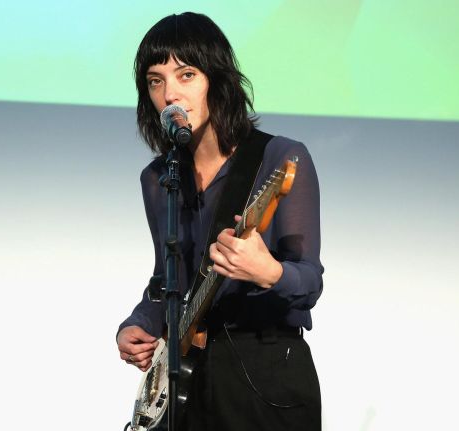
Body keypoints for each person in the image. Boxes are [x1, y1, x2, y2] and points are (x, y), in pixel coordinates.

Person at [116, 12, 323, 431]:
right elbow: (166, 280)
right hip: (189, 380)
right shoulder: (158, 179)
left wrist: (269, 272)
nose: (170, 94)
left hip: (266, 376)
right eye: (156, 81)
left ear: (217, 79)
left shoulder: (279, 158)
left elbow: (310, 282)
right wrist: (139, 324)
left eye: (186, 75)